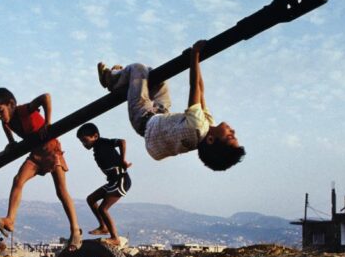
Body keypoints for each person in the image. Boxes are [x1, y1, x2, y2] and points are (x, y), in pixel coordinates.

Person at [97, 40, 245, 171]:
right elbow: (201, 92)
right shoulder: (207, 125)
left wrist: (194, 56)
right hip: (161, 113)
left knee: (139, 69)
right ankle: (121, 77)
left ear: (211, 139)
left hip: (142, 118)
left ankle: (111, 78)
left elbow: (194, 86)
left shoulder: (198, 126)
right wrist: (196, 60)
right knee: (157, 79)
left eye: (230, 136)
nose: (232, 130)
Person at [0, 87, 82, 250]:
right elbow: (10, 137)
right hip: (36, 154)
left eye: (0, 110)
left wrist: (47, 122)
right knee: (18, 180)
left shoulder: (25, 110)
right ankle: (10, 220)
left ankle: (75, 230)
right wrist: (11, 144)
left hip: (51, 150)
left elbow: (46, 97)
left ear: (11, 104)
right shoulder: (6, 122)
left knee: (61, 191)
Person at [76, 122, 131, 246]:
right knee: (91, 199)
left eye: (85, 140)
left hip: (120, 179)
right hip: (113, 181)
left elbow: (122, 142)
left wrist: (122, 159)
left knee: (103, 208)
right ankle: (103, 226)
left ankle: (115, 238)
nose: (84, 144)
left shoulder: (103, 142)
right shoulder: (97, 148)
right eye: (82, 142)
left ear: (95, 136)